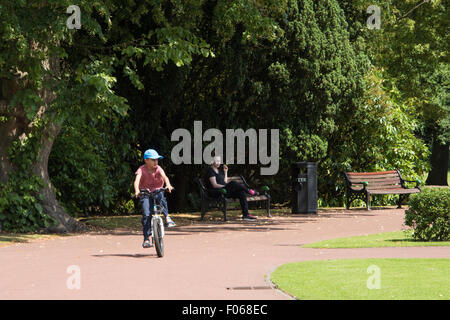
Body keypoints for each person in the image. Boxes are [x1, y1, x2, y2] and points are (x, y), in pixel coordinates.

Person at [134, 149, 175, 248]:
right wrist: (137, 191)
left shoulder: (158, 168)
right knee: (146, 215)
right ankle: (146, 239)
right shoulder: (141, 169)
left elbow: (165, 177)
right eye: (153, 160)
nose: (156, 162)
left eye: (157, 160)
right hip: (145, 192)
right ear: (146, 160)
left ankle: (167, 217)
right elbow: (136, 181)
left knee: (161, 196)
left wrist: (168, 185)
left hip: (157, 190)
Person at [205, 156, 257, 221]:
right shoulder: (210, 171)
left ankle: (245, 215)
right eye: (217, 161)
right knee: (233, 183)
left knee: (242, 193)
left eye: (219, 161)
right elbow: (215, 185)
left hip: (224, 191)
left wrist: (225, 172)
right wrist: (225, 186)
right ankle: (249, 190)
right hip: (216, 192)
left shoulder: (219, 171)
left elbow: (225, 182)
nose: (218, 163)